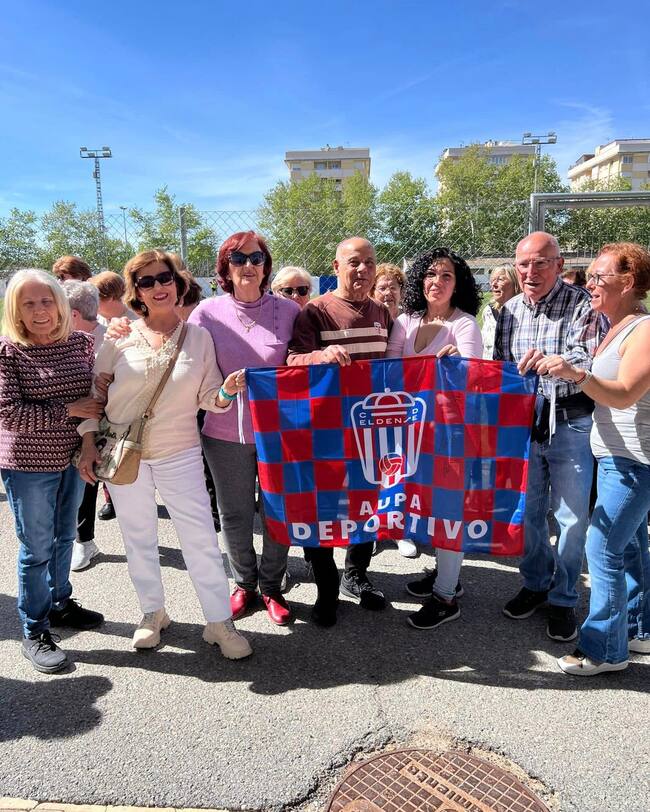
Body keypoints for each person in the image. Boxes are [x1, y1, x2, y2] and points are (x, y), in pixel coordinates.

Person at [76, 250, 251, 659]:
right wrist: (87, 441)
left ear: (178, 283)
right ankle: (152, 613)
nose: (158, 287)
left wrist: (226, 392)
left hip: (181, 452)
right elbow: (94, 397)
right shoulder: (118, 337)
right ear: (136, 291)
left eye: (164, 278)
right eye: (147, 282)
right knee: (138, 538)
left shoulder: (199, 337)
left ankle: (218, 622)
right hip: (123, 453)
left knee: (201, 540)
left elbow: (209, 394)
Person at [539, 243, 650, 675]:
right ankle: (638, 630)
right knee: (633, 547)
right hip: (615, 456)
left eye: (600, 277)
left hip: (634, 460)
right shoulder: (615, 325)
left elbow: (624, 394)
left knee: (601, 547)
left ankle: (604, 650)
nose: (591, 284)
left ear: (628, 281)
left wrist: (576, 374)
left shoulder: (642, 330)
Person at [495, 231, 602, 642]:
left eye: (541, 262)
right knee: (530, 512)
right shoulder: (508, 312)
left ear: (558, 265)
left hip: (571, 420)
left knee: (573, 518)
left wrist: (559, 364)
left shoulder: (580, 305)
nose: (531, 271)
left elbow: (587, 358)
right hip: (524, 423)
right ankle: (536, 583)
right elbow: (500, 366)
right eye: (524, 263)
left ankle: (564, 597)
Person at [190, 233, 300, 626]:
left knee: (276, 513)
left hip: (279, 434)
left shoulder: (288, 311)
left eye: (256, 258)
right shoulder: (205, 313)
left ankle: (271, 587)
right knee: (234, 514)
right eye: (238, 259)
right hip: (224, 431)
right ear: (226, 268)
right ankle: (244, 584)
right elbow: (186, 361)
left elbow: (304, 360)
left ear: (266, 266)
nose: (248, 265)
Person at [0, 269, 104, 674]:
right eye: (29, 303)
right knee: (36, 549)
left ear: (61, 304)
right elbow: (7, 414)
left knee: (65, 536)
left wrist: (88, 444)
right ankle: (34, 629)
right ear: (16, 310)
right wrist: (69, 411)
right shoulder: (8, 352)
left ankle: (60, 602)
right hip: (28, 465)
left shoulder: (79, 343)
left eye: (46, 301)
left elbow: (93, 398)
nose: (40, 310)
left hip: (73, 459)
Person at [287, 236, 392, 627]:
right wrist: (321, 356)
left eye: (368, 262)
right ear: (335, 267)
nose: (362, 270)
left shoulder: (383, 312)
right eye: (353, 262)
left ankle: (356, 575)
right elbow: (291, 361)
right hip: (325, 431)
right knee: (323, 510)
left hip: (370, 430)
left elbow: (396, 366)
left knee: (368, 505)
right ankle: (326, 585)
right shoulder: (315, 312)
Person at [387, 248, 483, 628]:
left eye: (447, 276)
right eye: (431, 274)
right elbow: (391, 372)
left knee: (446, 509)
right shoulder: (405, 321)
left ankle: (445, 596)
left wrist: (458, 364)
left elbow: (475, 378)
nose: (437, 282)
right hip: (409, 430)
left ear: (457, 285)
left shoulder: (465, 325)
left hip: (448, 432)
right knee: (421, 504)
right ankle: (448, 577)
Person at [61, 280, 107, 571]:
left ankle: (83, 541)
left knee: (90, 483)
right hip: (74, 429)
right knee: (83, 486)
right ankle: (84, 540)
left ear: (74, 314)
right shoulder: (63, 342)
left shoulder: (110, 341)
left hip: (109, 431)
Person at [89, 270, 134, 521]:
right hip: (104, 398)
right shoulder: (100, 323)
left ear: (111, 297)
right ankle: (111, 498)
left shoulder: (134, 320)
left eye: (98, 298)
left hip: (125, 399)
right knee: (108, 449)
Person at [481, 264, 520, 360]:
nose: (494, 284)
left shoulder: (523, 312)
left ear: (515, 283)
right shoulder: (488, 311)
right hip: (489, 369)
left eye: (500, 279)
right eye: (492, 280)